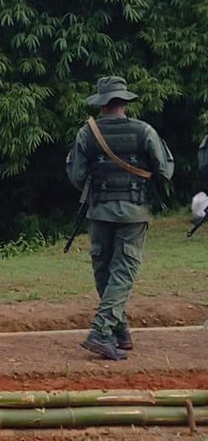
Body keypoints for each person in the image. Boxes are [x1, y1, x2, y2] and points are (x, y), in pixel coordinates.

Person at [67, 76, 173, 360]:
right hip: (134, 211)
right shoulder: (144, 131)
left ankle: (120, 331)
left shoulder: (86, 133)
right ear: (124, 102)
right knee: (123, 273)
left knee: (105, 272)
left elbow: (77, 175)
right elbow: (164, 171)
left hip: (100, 210)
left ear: (101, 104)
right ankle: (102, 331)